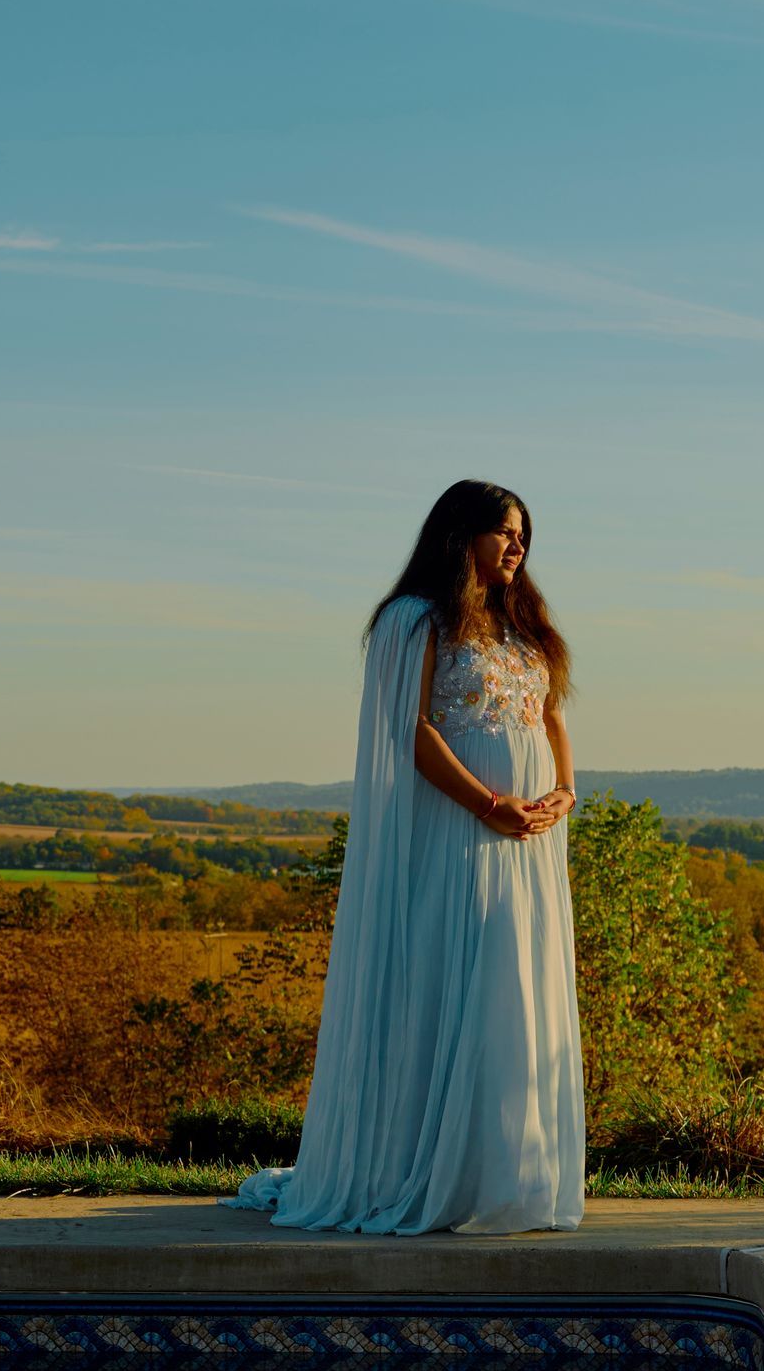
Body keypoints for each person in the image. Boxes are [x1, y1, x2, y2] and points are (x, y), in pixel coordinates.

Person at [234, 479, 584, 1235]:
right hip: (459, 835)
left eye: (524, 533)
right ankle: (433, 1172)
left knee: (515, 990)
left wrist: (565, 792)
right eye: (503, 532)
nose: (518, 546)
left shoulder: (522, 624)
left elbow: (549, 714)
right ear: (459, 537)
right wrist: (490, 806)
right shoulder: (414, 620)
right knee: (460, 981)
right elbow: (413, 731)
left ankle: (507, 1175)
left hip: (529, 845)